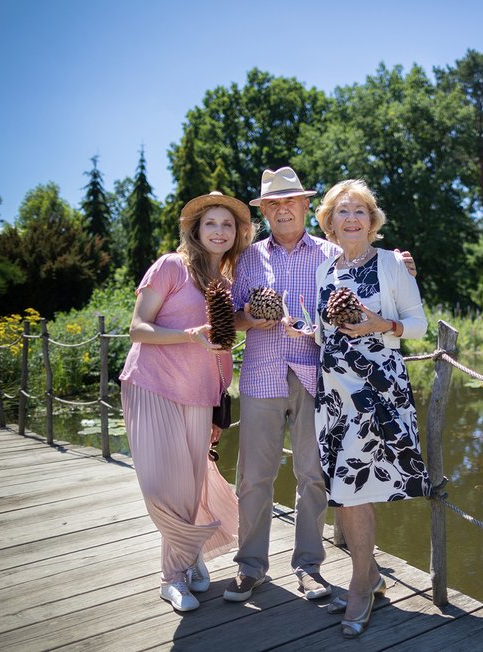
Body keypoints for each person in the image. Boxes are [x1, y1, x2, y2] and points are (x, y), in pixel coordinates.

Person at [226, 166, 416, 604]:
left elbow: (377, 276)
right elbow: (232, 318)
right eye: (272, 204)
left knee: (312, 477)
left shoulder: (332, 252)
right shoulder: (249, 259)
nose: (282, 209)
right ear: (264, 212)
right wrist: (250, 319)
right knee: (254, 476)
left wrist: (404, 266)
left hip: (320, 379)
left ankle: (309, 568)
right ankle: (250, 567)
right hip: (261, 375)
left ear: (307, 206)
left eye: (289, 201)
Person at [119, 191, 254, 611]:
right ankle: (172, 577)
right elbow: (137, 328)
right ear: (196, 229)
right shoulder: (171, 266)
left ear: (236, 234)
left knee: (192, 485)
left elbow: (224, 332)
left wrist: (254, 319)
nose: (219, 230)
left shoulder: (228, 283)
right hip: (152, 385)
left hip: (201, 394)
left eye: (227, 224)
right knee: (163, 485)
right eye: (211, 223)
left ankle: (186, 559)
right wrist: (187, 335)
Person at [310, 179, 430, 638]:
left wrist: (384, 325)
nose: (352, 218)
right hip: (334, 394)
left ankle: (361, 584)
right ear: (330, 223)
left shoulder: (390, 265)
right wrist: (305, 330)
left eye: (360, 210)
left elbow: (417, 324)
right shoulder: (324, 271)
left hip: (377, 390)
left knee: (353, 488)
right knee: (341, 487)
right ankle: (372, 573)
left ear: (372, 221)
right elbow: (325, 331)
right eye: (342, 211)